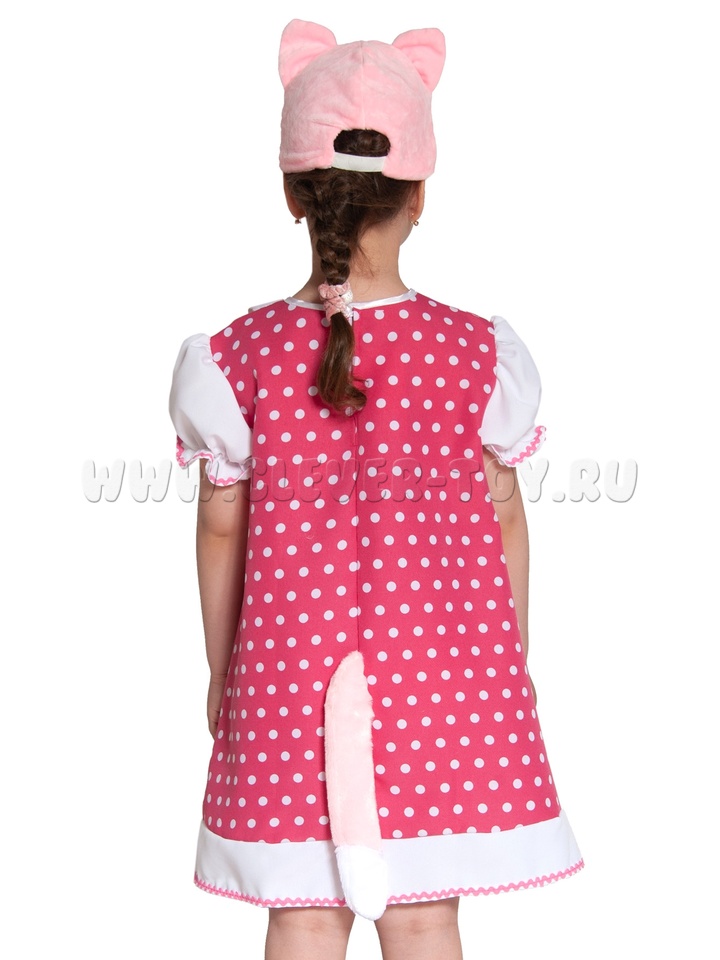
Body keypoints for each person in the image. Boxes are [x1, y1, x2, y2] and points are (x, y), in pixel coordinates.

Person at [169, 19, 583, 960]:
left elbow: (221, 532)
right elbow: (507, 521)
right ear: (420, 195)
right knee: (427, 914)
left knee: (303, 915)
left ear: (293, 193)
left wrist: (224, 672)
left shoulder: (237, 359)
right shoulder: (477, 354)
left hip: (286, 677)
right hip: (447, 677)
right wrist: (509, 659)